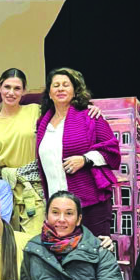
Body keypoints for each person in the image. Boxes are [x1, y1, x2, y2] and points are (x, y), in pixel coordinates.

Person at [34, 67, 120, 237]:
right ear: (49, 93)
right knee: (62, 251)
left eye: (66, 85)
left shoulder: (90, 116)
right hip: (57, 206)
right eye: (56, 85)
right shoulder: (42, 123)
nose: (60, 89)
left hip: (90, 204)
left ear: (75, 91)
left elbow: (113, 151)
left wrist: (85, 159)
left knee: (94, 249)